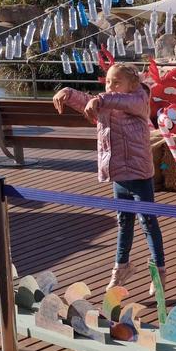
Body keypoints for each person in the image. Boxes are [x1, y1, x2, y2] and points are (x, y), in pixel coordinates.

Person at [53, 63, 166, 296]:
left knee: (148, 222)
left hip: (138, 174)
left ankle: (159, 271)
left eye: (116, 82)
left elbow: (117, 102)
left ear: (132, 84)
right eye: (108, 82)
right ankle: (121, 267)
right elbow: (89, 101)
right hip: (118, 175)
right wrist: (68, 92)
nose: (111, 86)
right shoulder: (106, 103)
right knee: (124, 223)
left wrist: (101, 99)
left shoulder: (138, 99)